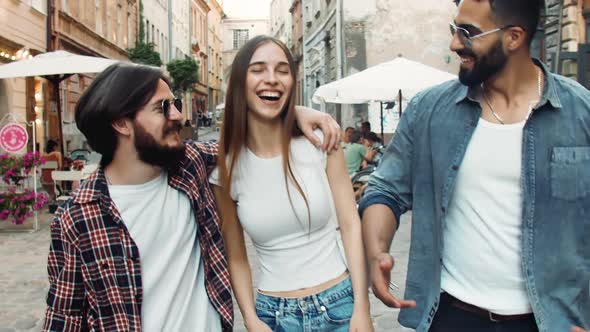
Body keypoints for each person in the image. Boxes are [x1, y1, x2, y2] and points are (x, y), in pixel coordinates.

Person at [43, 62, 342, 332]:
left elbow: (251, 136)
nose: (178, 115)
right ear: (121, 123)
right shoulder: (78, 217)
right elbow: (65, 315)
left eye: (174, 104)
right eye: (162, 107)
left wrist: (297, 114)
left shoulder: (191, 165)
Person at [360, 1, 589, 332]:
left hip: (551, 322)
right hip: (453, 316)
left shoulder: (580, 114)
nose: (455, 43)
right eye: (455, 29)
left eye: (468, 33)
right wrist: (376, 251)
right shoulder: (429, 110)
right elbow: (385, 189)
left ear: (513, 37)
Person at [210, 35, 373, 332]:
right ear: (239, 83)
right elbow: (236, 255)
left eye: (282, 70)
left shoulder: (320, 143)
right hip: (273, 316)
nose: (271, 79)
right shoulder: (226, 168)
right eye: (258, 69)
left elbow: (350, 224)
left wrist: (361, 307)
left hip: (338, 306)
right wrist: (250, 319)